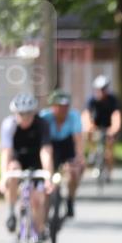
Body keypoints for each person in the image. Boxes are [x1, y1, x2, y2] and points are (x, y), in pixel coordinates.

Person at [0, 93, 54, 243]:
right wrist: (3, 177)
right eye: (21, 114)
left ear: (33, 113)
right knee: (12, 170)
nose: (25, 118)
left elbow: (46, 152)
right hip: (18, 160)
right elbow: (6, 153)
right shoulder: (9, 125)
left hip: (36, 161)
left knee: (37, 199)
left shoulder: (42, 125)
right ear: (15, 114)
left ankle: (39, 229)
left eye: (28, 114)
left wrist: (48, 176)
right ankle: (10, 212)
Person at [39, 90, 84, 218]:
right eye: (59, 106)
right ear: (52, 106)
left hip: (67, 146)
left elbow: (78, 139)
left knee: (74, 172)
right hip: (50, 147)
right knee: (47, 176)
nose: (63, 110)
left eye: (65, 107)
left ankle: (70, 198)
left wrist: (79, 157)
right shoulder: (44, 117)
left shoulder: (74, 117)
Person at [82, 75, 121, 181]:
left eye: (103, 89)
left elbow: (116, 115)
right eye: (99, 89)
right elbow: (86, 114)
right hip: (96, 125)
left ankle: (109, 172)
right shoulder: (91, 100)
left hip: (109, 126)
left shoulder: (113, 99)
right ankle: (92, 151)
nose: (101, 92)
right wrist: (89, 126)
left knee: (109, 149)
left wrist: (114, 128)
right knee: (88, 133)